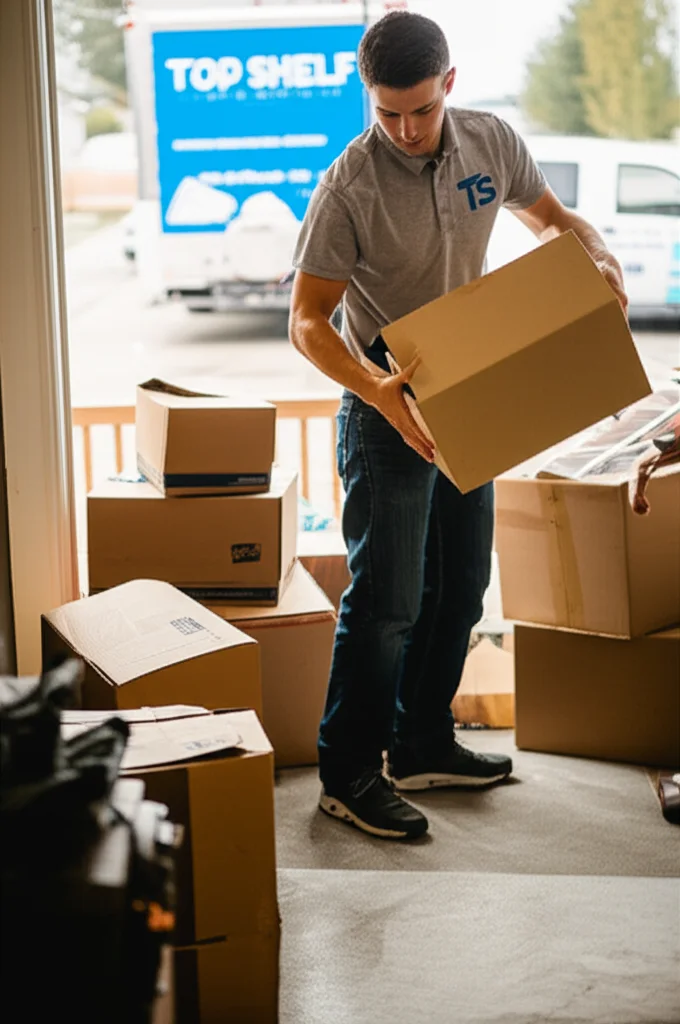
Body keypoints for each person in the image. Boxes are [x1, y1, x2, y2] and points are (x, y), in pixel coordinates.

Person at [289, 11, 628, 841]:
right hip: (385, 403)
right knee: (387, 604)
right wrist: (377, 391)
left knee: (463, 585)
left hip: (469, 393)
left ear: (449, 84)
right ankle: (348, 772)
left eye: (421, 109)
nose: (405, 130)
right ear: (368, 98)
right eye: (387, 112)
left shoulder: (491, 142)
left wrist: (598, 253)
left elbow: (552, 222)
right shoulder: (348, 185)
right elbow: (306, 321)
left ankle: (422, 744)